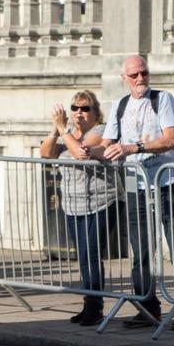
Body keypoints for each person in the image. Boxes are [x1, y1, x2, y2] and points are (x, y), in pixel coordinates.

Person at [100, 54, 174, 329]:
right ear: (125, 79)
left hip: (167, 179)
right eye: (134, 75)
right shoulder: (120, 105)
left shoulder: (163, 99)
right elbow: (107, 144)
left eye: (144, 73)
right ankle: (147, 307)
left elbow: (171, 139)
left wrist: (134, 148)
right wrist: (80, 149)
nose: (140, 79)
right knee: (141, 247)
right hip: (136, 181)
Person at [40, 90, 119, 327]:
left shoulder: (101, 131)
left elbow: (81, 153)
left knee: (92, 254)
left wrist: (63, 130)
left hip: (100, 202)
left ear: (95, 112)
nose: (79, 113)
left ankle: (96, 308)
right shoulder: (69, 133)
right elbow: (45, 153)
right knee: (83, 257)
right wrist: (56, 130)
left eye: (85, 109)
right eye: (75, 108)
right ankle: (88, 304)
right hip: (73, 204)